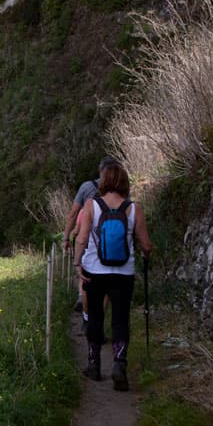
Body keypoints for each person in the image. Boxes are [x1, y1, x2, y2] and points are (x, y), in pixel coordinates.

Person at [73, 161, 153, 391]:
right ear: (124, 182)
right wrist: (147, 253)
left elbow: (82, 238)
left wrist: (79, 264)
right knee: (120, 319)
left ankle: (94, 365)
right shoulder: (134, 208)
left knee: (95, 317)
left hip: (94, 272)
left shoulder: (91, 205)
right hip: (123, 274)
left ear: (104, 181)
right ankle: (119, 365)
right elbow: (145, 243)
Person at [63, 157, 121, 327]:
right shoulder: (122, 190)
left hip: (88, 241)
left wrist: (66, 236)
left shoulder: (87, 187)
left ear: (100, 170)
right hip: (113, 244)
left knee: (88, 281)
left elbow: (73, 213)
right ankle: (98, 323)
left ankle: (88, 318)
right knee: (106, 291)